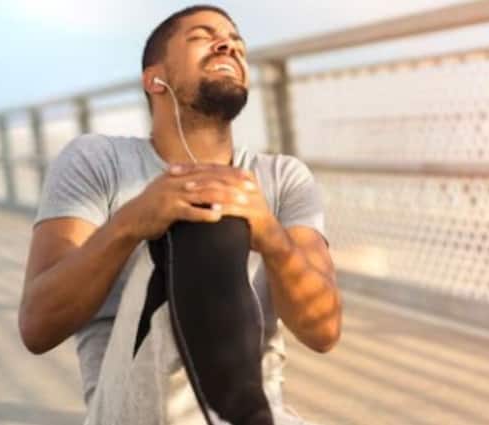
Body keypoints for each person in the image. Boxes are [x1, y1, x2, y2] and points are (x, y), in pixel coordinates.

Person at [18, 4, 342, 424]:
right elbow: (37, 327)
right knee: (203, 206)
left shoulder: (283, 176)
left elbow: (323, 332)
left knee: (217, 200)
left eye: (237, 43)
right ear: (155, 80)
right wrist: (131, 222)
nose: (228, 45)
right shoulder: (97, 160)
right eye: (202, 37)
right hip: (134, 407)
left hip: (262, 404)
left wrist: (269, 235)